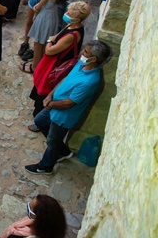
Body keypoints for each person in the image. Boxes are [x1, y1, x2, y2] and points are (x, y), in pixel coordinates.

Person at [26, 41, 112, 174]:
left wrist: (50, 104)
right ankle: (63, 150)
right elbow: (65, 79)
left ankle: (45, 166)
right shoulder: (82, 65)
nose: (82, 53)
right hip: (53, 105)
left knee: (52, 141)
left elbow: (69, 103)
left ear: (93, 59)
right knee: (40, 121)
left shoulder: (89, 81)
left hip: (63, 116)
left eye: (86, 52)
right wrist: (50, 95)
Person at [26, 1, 89, 119]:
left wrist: (49, 42)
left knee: (46, 88)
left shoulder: (72, 35)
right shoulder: (71, 25)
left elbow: (50, 50)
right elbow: (56, 36)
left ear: (77, 19)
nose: (67, 15)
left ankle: (39, 117)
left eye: (70, 14)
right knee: (41, 85)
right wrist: (53, 40)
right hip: (52, 61)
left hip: (56, 65)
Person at [28, 0, 73, 69]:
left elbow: (40, 6)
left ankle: (35, 67)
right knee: (45, 44)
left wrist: (35, 10)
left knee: (38, 43)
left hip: (44, 16)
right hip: (53, 17)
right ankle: (41, 66)